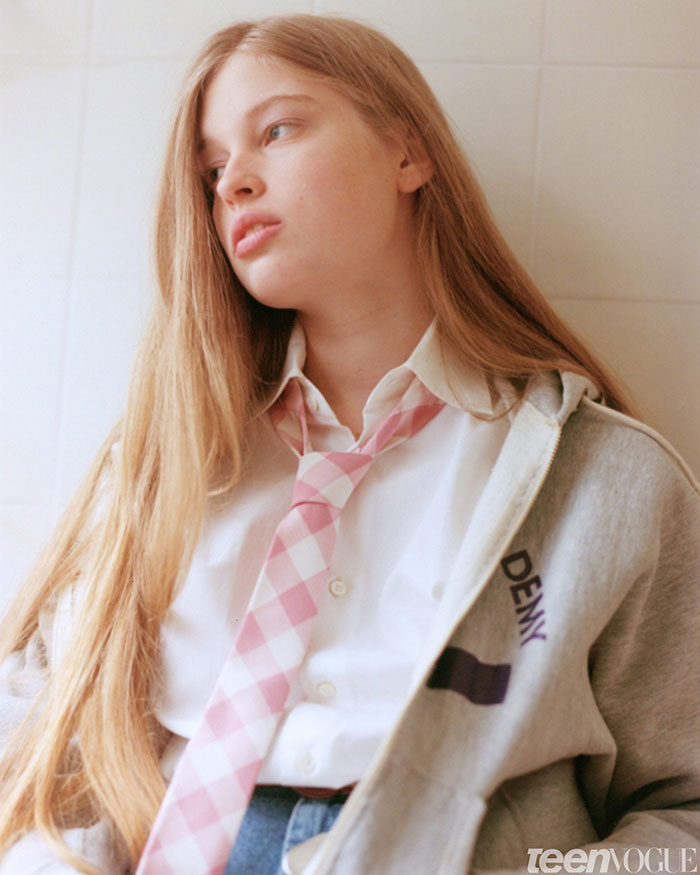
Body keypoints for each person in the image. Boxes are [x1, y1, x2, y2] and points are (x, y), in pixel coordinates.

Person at [1, 13, 698, 875]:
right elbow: (43, 740)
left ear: (408, 153)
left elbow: (683, 813)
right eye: (213, 170)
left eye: (277, 130)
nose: (233, 186)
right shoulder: (154, 468)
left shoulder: (609, 481)